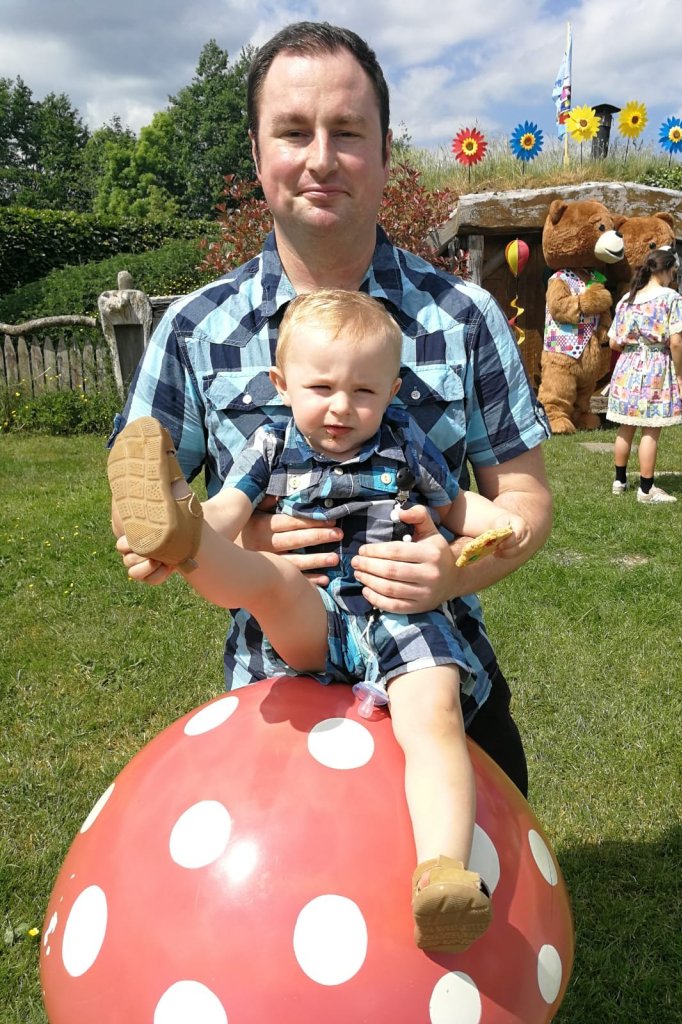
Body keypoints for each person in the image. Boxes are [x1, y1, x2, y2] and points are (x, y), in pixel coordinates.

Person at [109, 21, 552, 795]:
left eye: (346, 131)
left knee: (482, 869)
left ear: (384, 153)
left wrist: (451, 569)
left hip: (445, 679)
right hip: (276, 688)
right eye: (293, 131)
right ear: (257, 155)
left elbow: (525, 501)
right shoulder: (193, 330)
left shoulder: (464, 316)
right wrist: (223, 536)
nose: (320, 158)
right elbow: (145, 513)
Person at [109, 289, 529, 952]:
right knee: (270, 584)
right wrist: (204, 526)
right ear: (281, 385)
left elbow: (455, 507)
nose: (341, 407)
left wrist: (502, 522)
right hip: (314, 609)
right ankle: (183, 540)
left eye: (364, 391)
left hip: (402, 613)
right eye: (321, 387)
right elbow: (230, 508)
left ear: (393, 392)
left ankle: (443, 874)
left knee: (437, 715)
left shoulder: (406, 442)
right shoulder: (271, 443)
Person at [607, 248, 682, 504]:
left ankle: (619, 481)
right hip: (655, 367)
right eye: (673, 272)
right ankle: (646, 489)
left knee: (626, 425)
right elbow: (676, 341)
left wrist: (633, 344)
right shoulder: (670, 298)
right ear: (664, 270)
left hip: (627, 367)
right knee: (651, 428)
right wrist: (679, 374)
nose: (673, 277)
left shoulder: (627, 299)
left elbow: (613, 342)